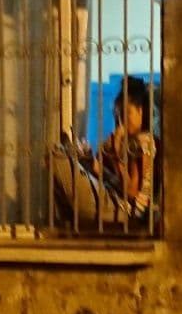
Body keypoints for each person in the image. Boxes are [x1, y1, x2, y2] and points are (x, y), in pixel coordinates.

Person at [51, 78, 159, 228]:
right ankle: (68, 223)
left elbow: (132, 192)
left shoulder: (144, 141)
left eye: (126, 113)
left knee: (56, 156)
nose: (121, 121)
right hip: (113, 201)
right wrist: (90, 161)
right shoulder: (132, 141)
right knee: (61, 157)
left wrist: (116, 151)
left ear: (141, 111)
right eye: (118, 115)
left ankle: (67, 223)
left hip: (124, 210)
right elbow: (114, 180)